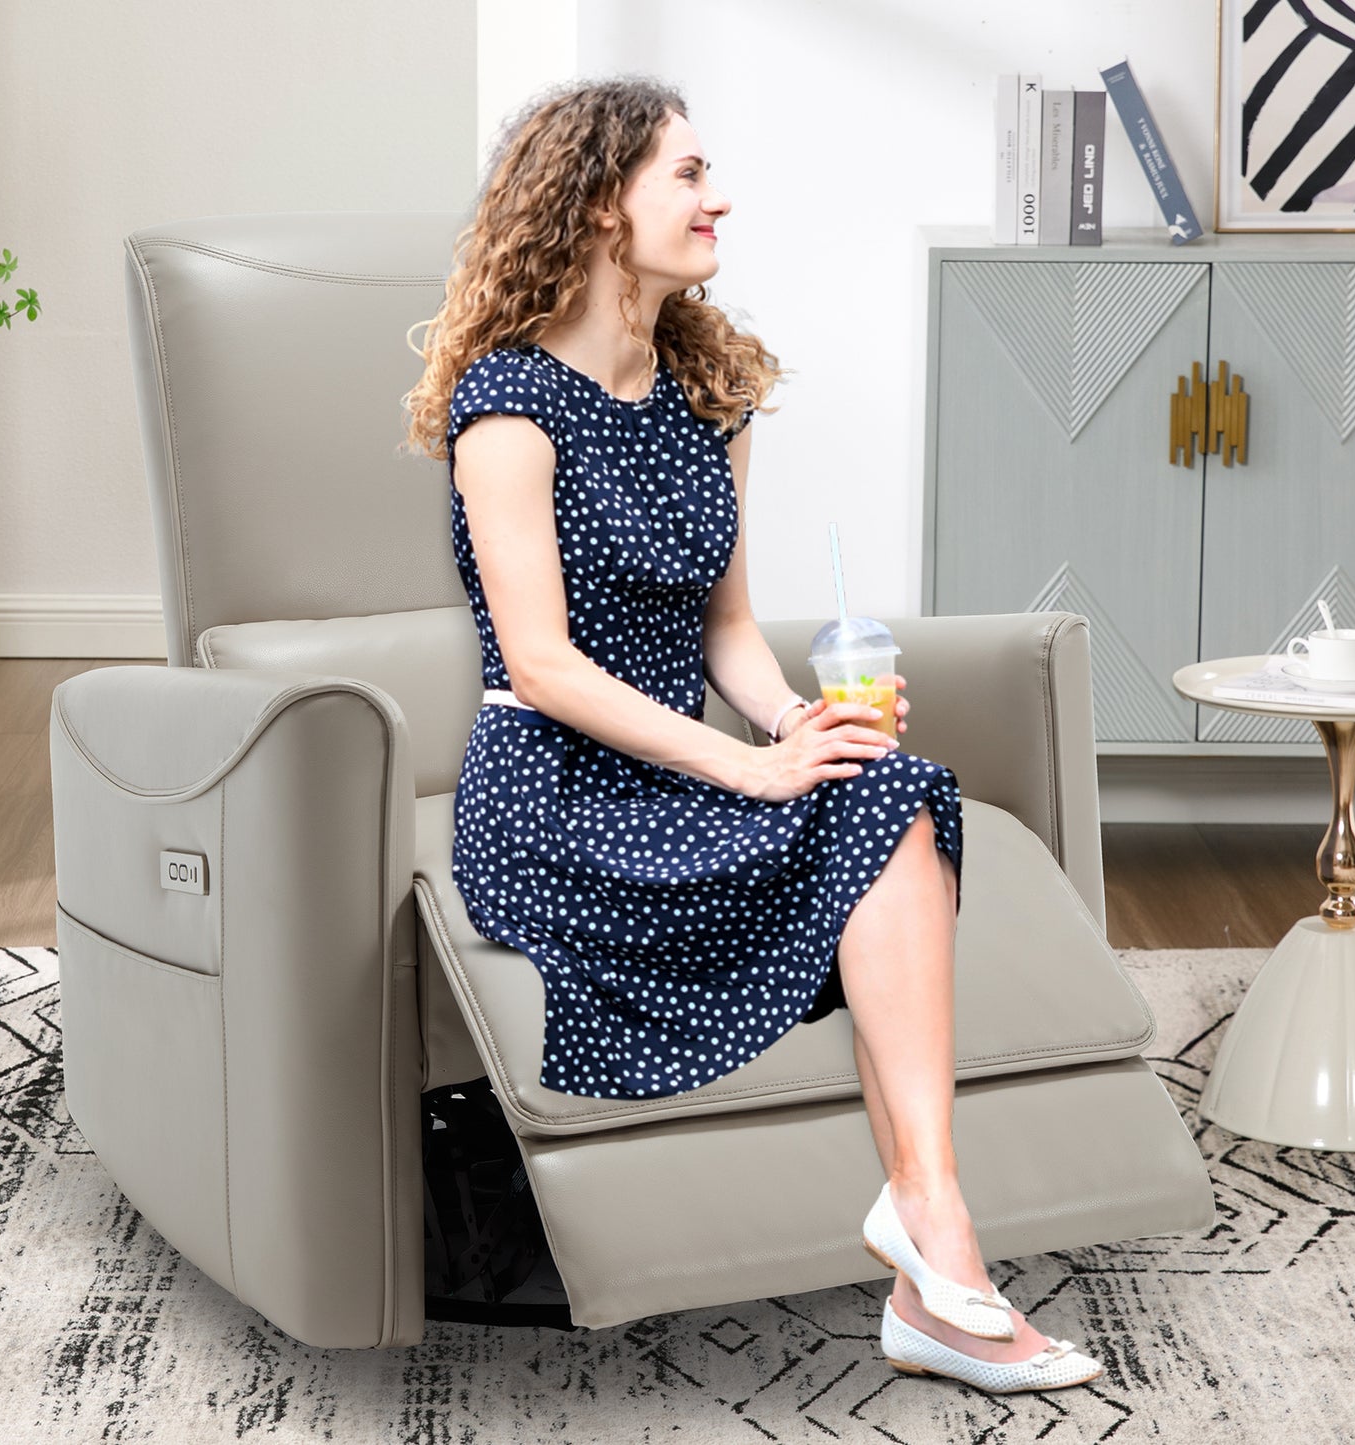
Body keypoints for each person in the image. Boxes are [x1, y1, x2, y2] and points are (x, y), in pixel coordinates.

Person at [400, 75, 1102, 1395]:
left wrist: (802, 719)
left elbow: (727, 631)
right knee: (846, 799)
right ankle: (941, 1267)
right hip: (552, 797)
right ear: (598, 206)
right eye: (686, 174)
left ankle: (927, 1230)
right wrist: (749, 761)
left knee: (889, 780)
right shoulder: (505, 409)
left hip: (683, 771)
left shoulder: (701, 395)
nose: (717, 197)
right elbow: (543, 664)